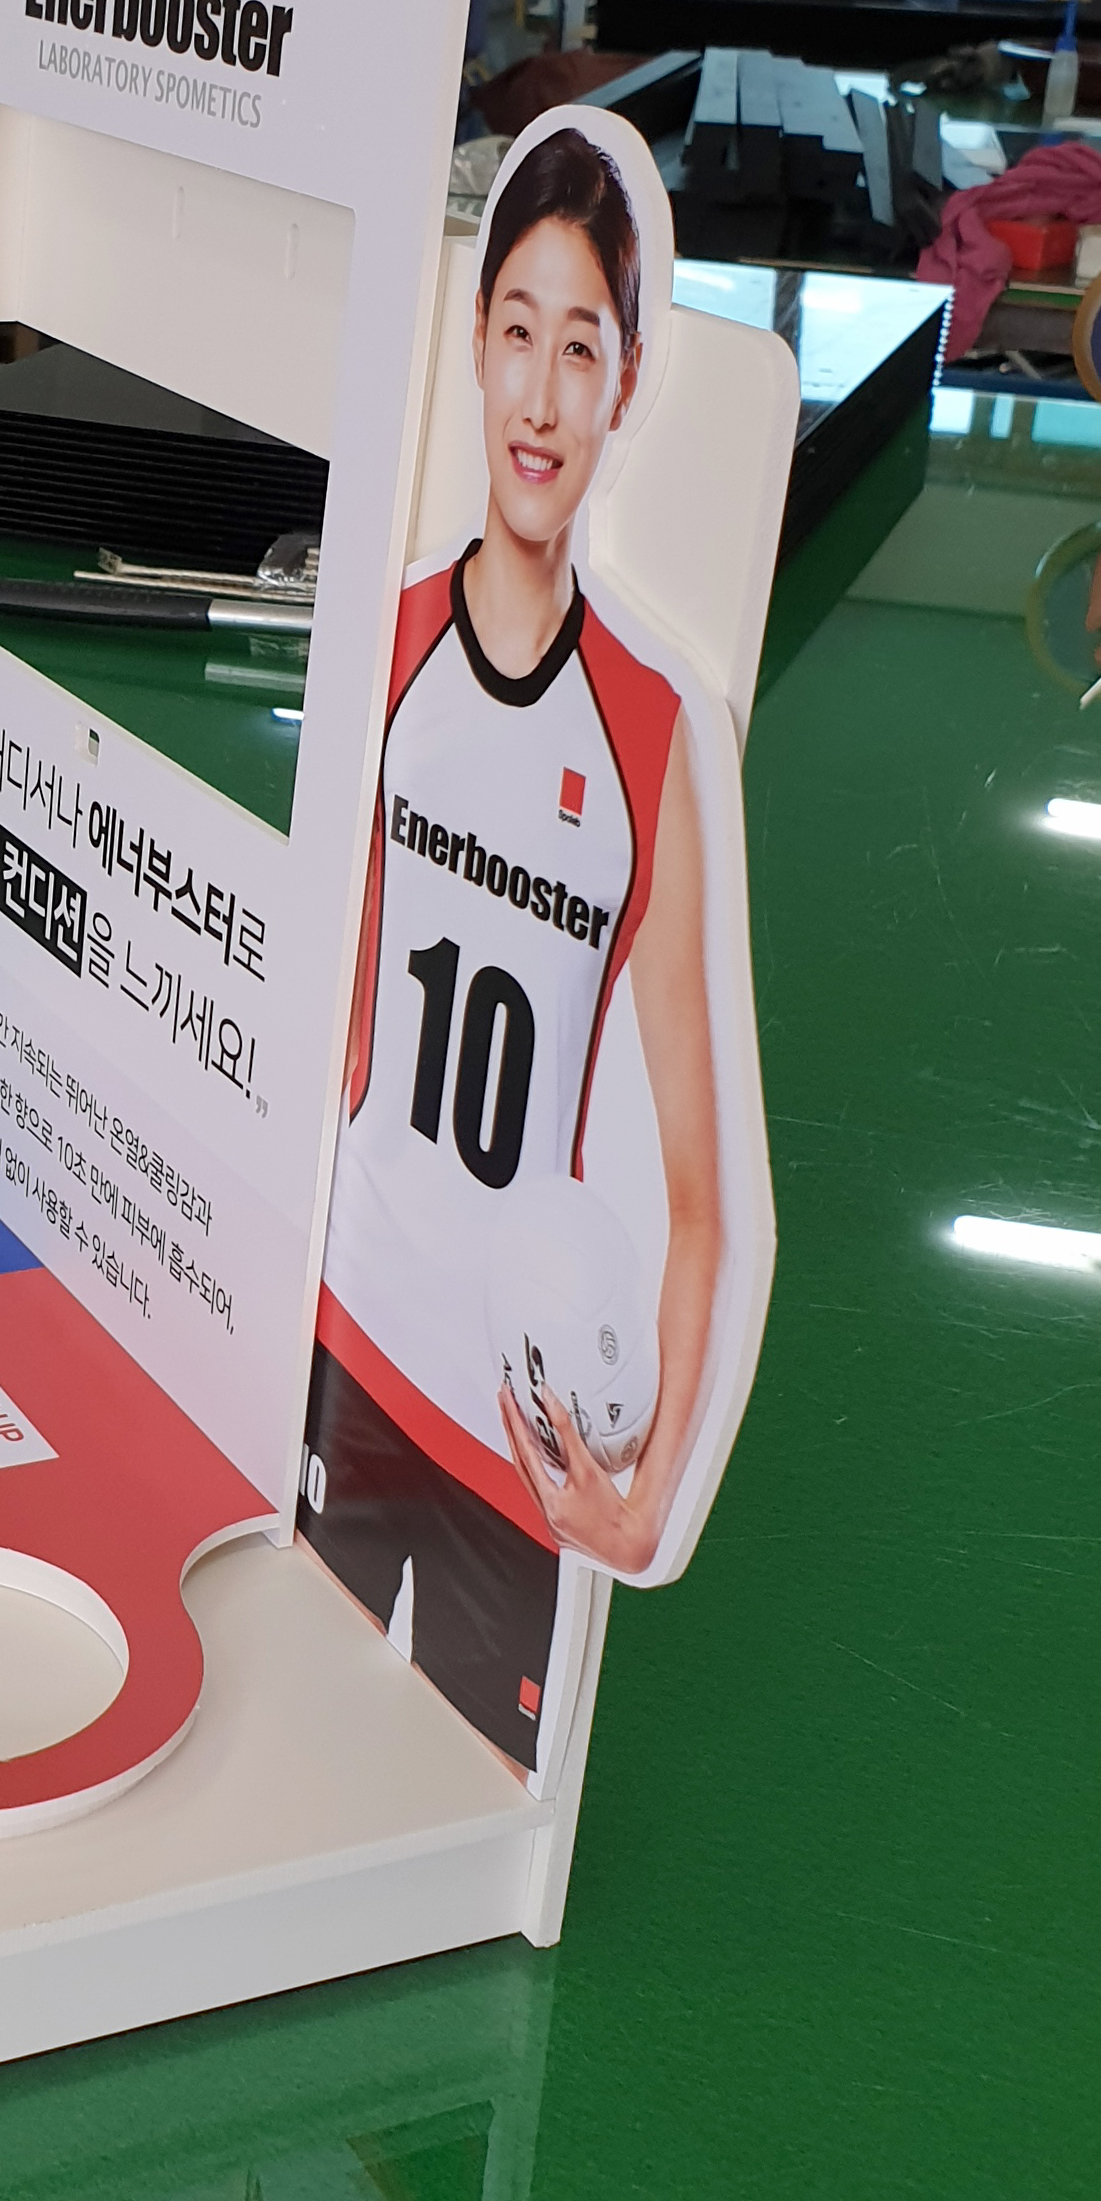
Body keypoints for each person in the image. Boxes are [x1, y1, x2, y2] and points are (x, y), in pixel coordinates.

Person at [297, 124, 724, 1775]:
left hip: (507, 1435)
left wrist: (647, 1492)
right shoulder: (385, 638)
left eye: (582, 348)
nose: (540, 396)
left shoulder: (649, 733)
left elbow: (701, 1198)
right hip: (339, 1363)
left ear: (625, 384)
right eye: (518, 332)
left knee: (458, 1834)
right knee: (292, 1779)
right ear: (472, 343)